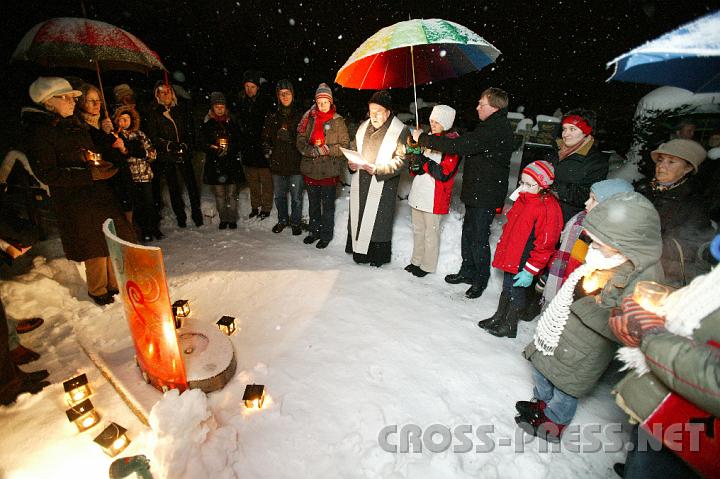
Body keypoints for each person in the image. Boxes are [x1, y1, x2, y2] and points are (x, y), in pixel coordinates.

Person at [516, 192, 663, 443]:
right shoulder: (606, 256)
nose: (592, 247)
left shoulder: (643, 278)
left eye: (598, 243)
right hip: (565, 329)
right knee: (544, 366)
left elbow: (625, 325)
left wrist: (588, 301)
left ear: (624, 241)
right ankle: (543, 405)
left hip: (587, 346)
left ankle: (555, 421)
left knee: (566, 385)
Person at [608, 239, 720, 478]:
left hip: (697, 442)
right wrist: (638, 322)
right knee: (642, 454)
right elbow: (694, 322)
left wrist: (652, 336)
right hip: (661, 408)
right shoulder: (713, 282)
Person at [22, 76, 135, 305]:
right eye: (66, 98)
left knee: (111, 238)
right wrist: (87, 174)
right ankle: (98, 290)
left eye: (73, 97)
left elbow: (93, 151)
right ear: (48, 102)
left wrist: (109, 154)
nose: (73, 102)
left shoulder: (76, 125)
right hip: (74, 200)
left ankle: (114, 284)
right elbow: (48, 173)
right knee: (93, 246)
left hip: (98, 194)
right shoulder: (40, 132)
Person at [411, 87, 514, 298]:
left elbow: (460, 145)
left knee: (478, 238)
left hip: (485, 193)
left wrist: (425, 139)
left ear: (494, 107)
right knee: (469, 234)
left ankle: (480, 279)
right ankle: (467, 271)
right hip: (477, 191)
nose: (477, 107)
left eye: (481, 104)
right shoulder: (489, 125)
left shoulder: (495, 129)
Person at [478, 161, 562, 338]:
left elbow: (546, 244)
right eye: (521, 182)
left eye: (528, 184)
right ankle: (499, 316)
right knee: (507, 286)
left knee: (517, 290)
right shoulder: (525, 198)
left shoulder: (548, 208)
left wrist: (530, 270)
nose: (523, 187)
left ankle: (510, 324)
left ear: (543, 185)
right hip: (513, 253)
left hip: (525, 258)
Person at [541, 178, 634, 309]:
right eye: (589, 197)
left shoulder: (612, 238)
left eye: (593, 199)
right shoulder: (580, 221)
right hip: (562, 281)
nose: (586, 203)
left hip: (583, 293)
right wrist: (548, 273)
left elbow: (616, 272)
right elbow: (563, 252)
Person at [635, 139, 714, 286]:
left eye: (671, 162)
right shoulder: (643, 187)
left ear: (687, 169)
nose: (661, 166)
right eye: (660, 160)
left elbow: (690, 246)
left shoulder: (693, 203)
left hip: (662, 273)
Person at [345, 90, 408, 266]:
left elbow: (402, 160)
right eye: (371, 111)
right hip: (362, 182)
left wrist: (380, 169)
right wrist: (351, 163)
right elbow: (354, 149)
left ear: (388, 112)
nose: (374, 116)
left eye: (378, 112)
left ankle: (376, 256)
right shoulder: (363, 127)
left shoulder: (400, 131)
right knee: (360, 217)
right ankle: (360, 252)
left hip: (382, 185)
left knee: (378, 223)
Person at [406, 105, 460, 277]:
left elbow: (443, 173)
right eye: (431, 121)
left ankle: (427, 265)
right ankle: (416, 260)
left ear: (446, 123)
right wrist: (414, 156)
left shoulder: (451, 144)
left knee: (431, 233)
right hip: (419, 192)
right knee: (418, 229)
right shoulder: (426, 139)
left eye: (437, 121)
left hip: (435, 196)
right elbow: (417, 169)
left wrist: (422, 160)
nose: (433, 124)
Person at [296, 83, 349, 248]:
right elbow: (300, 140)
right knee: (313, 205)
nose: (322, 105)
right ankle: (314, 231)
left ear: (331, 102)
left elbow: (345, 145)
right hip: (311, 169)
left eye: (325, 102)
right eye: (319, 102)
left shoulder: (338, 120)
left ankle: (326, 235)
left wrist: (327, 149)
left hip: (329, 171)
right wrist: (311, 151)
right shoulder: (309, 119)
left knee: (327, 206)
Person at [146, 81, 203, 228]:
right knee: (174, 187)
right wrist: (169, 145)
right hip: (167, 157)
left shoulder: (181, 110)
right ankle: (181, 218)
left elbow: (190, 130)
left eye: (168, 92)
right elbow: (153, 136)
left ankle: (197, 215)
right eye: (162, 92)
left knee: (192, 186)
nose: (166, 95)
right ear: (157, 95)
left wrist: (186, 144)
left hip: (184, 154)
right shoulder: (154, 113)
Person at [75, 82, 135, 223]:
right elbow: (95, 151)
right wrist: (104, 133)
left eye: (99, 100)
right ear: (81, 103)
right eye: (92, 100)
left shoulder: (106, 121)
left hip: (122, 177)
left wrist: (122, 146)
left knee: (127, 211)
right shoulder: (81, 127)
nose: (97, 104)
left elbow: (124, 147)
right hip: (106, 180)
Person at [548, 109, 609, 224]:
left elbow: (587, 195)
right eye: (564, 129)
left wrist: (553, 187)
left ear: (585, 131)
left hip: (566, 219)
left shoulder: (596, 161)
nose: (565, 134)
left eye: (572, 129)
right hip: (542, 212)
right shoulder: (556, 150)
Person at [112, 105, 161, 242]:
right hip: (129, 177)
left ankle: (154, 228)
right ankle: (143, 230)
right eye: (121, 119)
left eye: (126, 119)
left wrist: (143, 154)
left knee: (150, 204)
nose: (124, 122)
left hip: (144, 175)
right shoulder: (116, 136)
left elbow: (152, 154)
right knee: (137, 206)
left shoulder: (140, 135)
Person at [263, 79, 304, 235]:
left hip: (295, 165)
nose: (285, 96)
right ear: (278, 97)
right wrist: (267, 145)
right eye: (282, 94)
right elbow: (265, 136)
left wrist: (291, 138)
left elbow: (305, 140)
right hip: (278, 164)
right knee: (280, 196)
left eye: (287, 93)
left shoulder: (300, 115)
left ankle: (296, 223)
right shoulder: (272, 115)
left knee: (296, 198)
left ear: (292, 95)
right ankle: (282, 220)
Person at [200, 92, 242, 229]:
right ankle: (224, 219)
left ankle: (232, 219)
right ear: (212, 108)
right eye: (217, 106)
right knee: (219, 195)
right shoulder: (207, 124)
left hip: (231, 164)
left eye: (222, 106)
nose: (219, 109)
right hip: (215, 165)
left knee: (231, 194)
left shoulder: (232, 122)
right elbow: (201, 143)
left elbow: (239, 141)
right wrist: (213, 148)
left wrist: (230, 148)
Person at [238, 70, 272, 219]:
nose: (249, 89)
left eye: (252, 86)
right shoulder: (242, 102)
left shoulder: (265, 102)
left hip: (261, 147)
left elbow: (269, 124)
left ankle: (266, 207)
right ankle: (255, 206)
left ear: (258, 87)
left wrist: (267, 143)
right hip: (247, 148)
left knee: (265, 181)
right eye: (247, 86)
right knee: (252, 181)